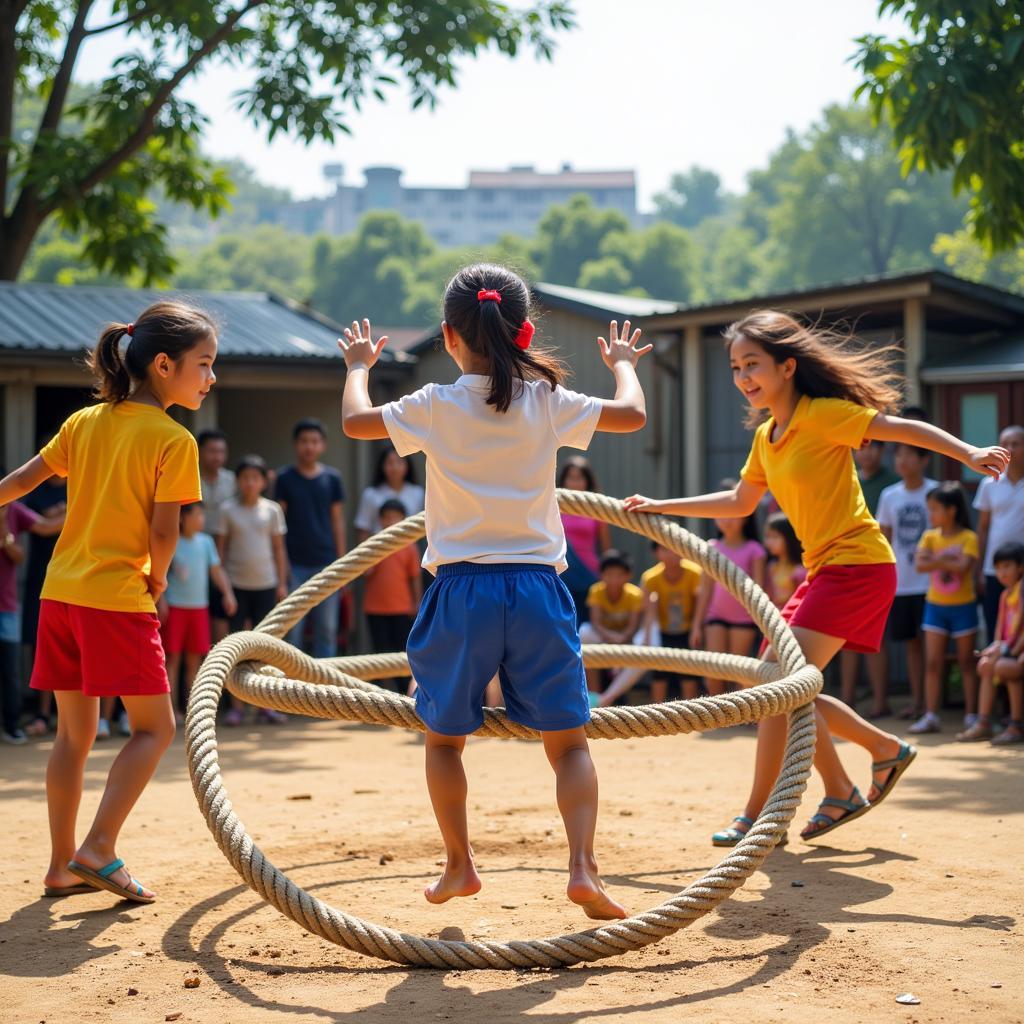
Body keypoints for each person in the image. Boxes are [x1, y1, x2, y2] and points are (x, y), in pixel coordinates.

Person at [624, 309, 1008, 843]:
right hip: (824, 569)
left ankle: (762, 813)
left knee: (774, 682)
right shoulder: (766, 437)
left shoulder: (823, 414)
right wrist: (664, 505)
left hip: (859, 566)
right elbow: (738, 502)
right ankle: (858, 771)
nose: (743, 378)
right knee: (779, 684)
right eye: (736, 368)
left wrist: (967, 452)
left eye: (752, 364)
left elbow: (900, 428)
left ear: (787, 366)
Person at [340, 262, 651, 919]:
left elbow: (356, 423)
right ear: (525, 330)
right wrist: (624, 362)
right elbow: (632, 414)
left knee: (444, 738)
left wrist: (358, 367)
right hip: (538, 588)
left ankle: (459, 865)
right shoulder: (544, 400)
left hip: (460, 591)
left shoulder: (433, 404)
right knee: (568, 743)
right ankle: (583, 867)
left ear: (449, 336)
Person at [0, 300, 215, 901]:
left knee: (74, 737)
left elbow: (21, 483)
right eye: (204, 364)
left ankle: (60, 865)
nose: (211, 377)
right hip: (118, 599)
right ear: (165, 365)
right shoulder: (173, 439)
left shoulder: (84, 422)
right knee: (155, 729)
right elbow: (165, 532)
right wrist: (161, 578)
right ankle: (98, 848)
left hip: (59, 595)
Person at [216, 455, 289, 726]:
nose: (249, 482)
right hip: (236, 585)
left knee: (266, 646)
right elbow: (220, 551)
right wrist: (224, 588)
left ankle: (265, 706)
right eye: (245, 477)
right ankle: (236, 707)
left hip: (266, 584)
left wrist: (282, 583)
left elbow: (279, 549)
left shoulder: (271, 510)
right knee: (235, 646)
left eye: (254, 478)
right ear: (238, 480)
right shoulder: (227, 510)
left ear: (263, 481)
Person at [909, 482, 980, 735]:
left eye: (935, 509)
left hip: (964, 607)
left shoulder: (969, 537)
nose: (931, 515)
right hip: (935, 607)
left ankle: (972, 715)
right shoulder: (930, 536)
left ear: (951, 510)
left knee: (967, 662)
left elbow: (964, 567)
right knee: (932, 663)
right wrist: (949, 559)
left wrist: (935, 560)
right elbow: (920, 565)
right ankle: (931, 715)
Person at [875, 442, 937, 720]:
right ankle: (917, 701)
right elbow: (884, 539)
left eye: (910, 454)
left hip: (933, 583)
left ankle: (932, 705)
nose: (902, 460)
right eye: (898, 454)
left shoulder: (936, 491)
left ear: (924, 460)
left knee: (931, 644)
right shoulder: (889, 496)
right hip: (901, 582)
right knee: (912, 644)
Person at [839, 439, 900, 716]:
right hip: (845, 564)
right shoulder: (846, 476)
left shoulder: (893, 484)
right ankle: (847, 699)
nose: (866, 452)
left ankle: (880, 702)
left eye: (872, 447)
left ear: (882, 450)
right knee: (842, 638)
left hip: (877, 567)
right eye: (861, 447)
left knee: (877, 638)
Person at [275, 419, 346, 658]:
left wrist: (342, 561)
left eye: (314, 441)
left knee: (327, 629)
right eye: (304, 441)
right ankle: (295, 687)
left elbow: (337, 521)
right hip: (294, 564)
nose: (309, 446)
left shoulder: (332, 478)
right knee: (292, 630)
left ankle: (325, 688)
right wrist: (281, 567)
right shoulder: (284, 478)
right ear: (296, 445)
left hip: (326, 562)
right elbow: (278, 526)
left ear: (323, 445)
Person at [599, 541, 702, 705]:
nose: (672, 554)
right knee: (659, 674)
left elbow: (700, 604)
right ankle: (656, 715)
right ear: (656, 552)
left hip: (687, 631)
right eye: (666, 549)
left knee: (689, 675)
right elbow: (647, 612)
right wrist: (647, 636)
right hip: (661, 632)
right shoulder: (650, 577)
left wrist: (697, 628)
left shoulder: (694, 573)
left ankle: (694, 714)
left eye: (676, 548)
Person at [161, 502, 237, 724]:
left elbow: (216, 570)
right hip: (175, 609)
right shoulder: (171, 541)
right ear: (183, 517)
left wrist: (228, 593)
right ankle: (171, 711)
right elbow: (160, 572)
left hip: (199, 609)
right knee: (172, 661)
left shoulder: (206, 542)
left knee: (195, 661)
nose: (201, 520)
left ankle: (192, 711)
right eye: (197, 515)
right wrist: (161, 601)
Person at [691, 488, 766, 696]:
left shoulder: (754, 549)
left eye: (732, 515)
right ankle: (719, 719)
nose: (726, 521)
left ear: (745, 516)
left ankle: (746, 718)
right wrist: (697, 625)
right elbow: (705, 590)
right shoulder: (711, 547)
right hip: (715, 617)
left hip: (744, 619)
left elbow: (757, 589)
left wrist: (761, 622)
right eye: (720, 515)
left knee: (740, 671)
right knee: (713, 671)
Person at [1, 498, 63, 743]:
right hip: (10, 606)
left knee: (11, 671)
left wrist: (4, 532)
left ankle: (13, 724)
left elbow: (43, 529)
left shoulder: (13, 510)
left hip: (7, 604)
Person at [957, 541, 1024, 744]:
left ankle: (1016, 725)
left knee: (1004, 667)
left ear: (1021, 567)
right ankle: (984, 723)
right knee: (986, 665)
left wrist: (1008, 651)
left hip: (1017, 653)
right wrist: (995, 648)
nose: (1001, 572)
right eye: (998, 568)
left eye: (1007, 566)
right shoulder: (1004, 595)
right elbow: (1000, 630)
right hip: (1011, 652)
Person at [21, 467, 67, 737]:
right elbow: (42, 527)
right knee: (45, 648)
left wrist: (59, 514)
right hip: (44, 579)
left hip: (77, 580)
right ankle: (42, 713)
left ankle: (72, 718)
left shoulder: (78, 486)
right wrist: (72, 512)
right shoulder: (35, 491)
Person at [363, 498, 423, 691]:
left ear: (403, 520)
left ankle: (405, 695)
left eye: (395, 518)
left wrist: (417, 603)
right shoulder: (373, 544)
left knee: (402, 654)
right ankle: (377, 696)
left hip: (401, 608)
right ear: (380, 520)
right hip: (375, 608)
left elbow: (415, 577)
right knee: (378, 655)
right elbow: (365, 572)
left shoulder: (409, 546)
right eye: (387, 518)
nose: (390, 522)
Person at [577, 550, 650, 699]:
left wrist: (621, 638)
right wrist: (611, 637)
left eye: (619, 575)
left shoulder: (635, 594)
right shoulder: (596, 591)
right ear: (602, 575)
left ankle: (611, 696)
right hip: (604, 637)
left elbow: (633, 626)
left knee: (646, 649)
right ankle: (593, 694)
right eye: (609, 574)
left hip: (626, 639)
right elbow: (595, 622)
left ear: (628, 576)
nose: (614, 580)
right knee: (584, 632)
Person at [974, 425, 1024, 641]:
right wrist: (978, 570)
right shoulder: (988, 484)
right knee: (997, 628)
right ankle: (997, 674)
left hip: (1022, 569)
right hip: (994, 570)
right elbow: (983, 528)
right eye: (1005, 444)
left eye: (1016, 444)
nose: (1009, 449)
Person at [558, 456, 613, 625]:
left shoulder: (596, 509)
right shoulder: (552, 506)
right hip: (560, 574)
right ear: (564, 480)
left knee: (587, 627)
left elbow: (606, 548)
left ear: (587, 481)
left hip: (589, 575)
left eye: (579, 478)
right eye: (571, 477)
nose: (575, 482)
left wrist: (608, 578)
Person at [196, 429, 236, 646]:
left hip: (224, 554)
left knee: (222, 606)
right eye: (212, 451)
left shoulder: (232, 481)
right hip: (192, 550)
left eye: (221, 451)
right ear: (200, 452)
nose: (217, 456)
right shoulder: (188, 475)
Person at [354, 445, 425, 543]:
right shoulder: (371, 494)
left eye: (399, 462)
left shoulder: (418, 493)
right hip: (378, 548)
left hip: (408, 549)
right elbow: (363, 528)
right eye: (390, 462)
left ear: (407, 465)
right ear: (382, 465)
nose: (395, 467)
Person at [763, 511, 806, 609]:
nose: (769, 542)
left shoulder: (800, 571)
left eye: (775, 537)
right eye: (768, 537)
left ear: (788, 538)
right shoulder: (771, 567)